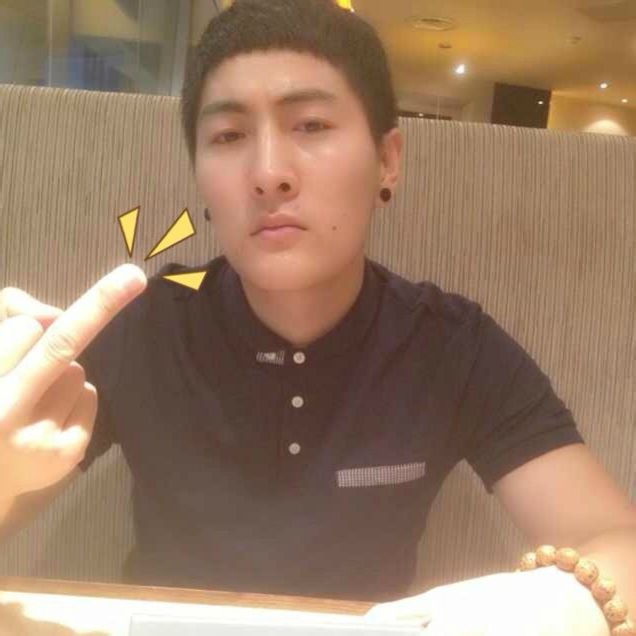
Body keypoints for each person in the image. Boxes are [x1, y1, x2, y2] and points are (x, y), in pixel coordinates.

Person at [0, 0, 634, 633]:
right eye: (228, 136)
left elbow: (616, 539)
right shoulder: (142, 326)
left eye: (310, 125)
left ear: (388, 160)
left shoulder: (452, 346)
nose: (268, 174)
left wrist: (559, 605)